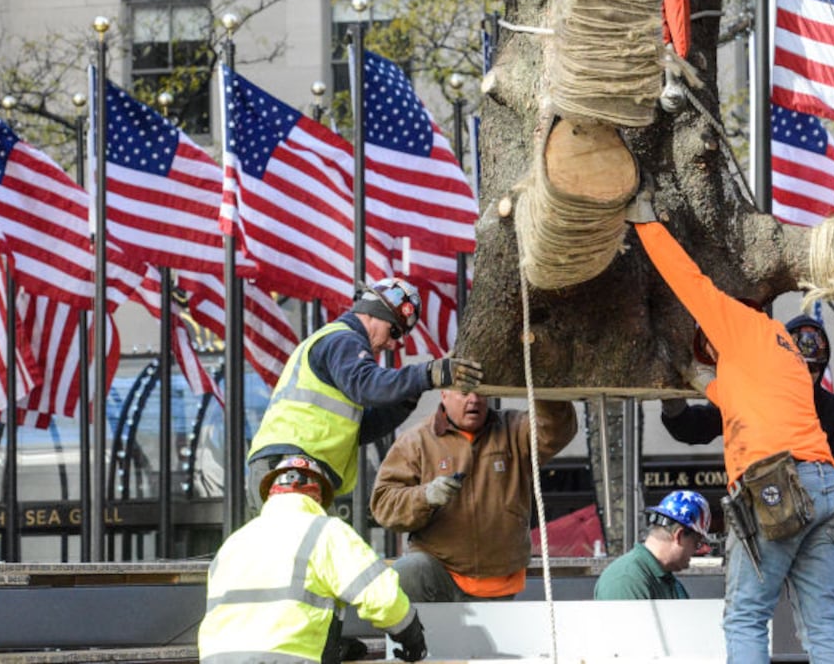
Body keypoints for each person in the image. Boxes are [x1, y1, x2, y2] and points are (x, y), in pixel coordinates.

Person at [631, 210, 834, 664]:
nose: (709, 352)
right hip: (826, 485)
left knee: (746, 615)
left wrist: (646, 225)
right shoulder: (781, 349)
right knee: (822, 621)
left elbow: (687, 281)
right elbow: (721, 392)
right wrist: (694, 380)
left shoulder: (736, 325)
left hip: (777, 486)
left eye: (705, 345)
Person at [659, 315, 834, 564]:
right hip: (759, 525)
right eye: (799, 365)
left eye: (813, 368)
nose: (806, 374)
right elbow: (692, 428)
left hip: (814, 533)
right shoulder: (752, 397)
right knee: (751, 601)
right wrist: (671, 399)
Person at [247, 277, 482, 507]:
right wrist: (426, 374)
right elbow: (367, 385)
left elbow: (363, 429)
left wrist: (406, 399)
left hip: (292, 465)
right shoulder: (343, 339)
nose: (392, 344)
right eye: (394, 331)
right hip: (292, 465)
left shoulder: (337, 344)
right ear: (372, 312)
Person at [199, 454, 427, 664]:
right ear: (319, 497)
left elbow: (255, 619)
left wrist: (332, 645)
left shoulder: (233, 543)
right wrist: (412, 637)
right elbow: (382, 598)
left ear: (270, 494)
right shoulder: (325, 531)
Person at [370, 387, 577, 602]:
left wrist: (543, 384)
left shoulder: (515, 430)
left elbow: (556, 430)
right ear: (444, 395)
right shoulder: (415, 441)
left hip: (500, 580)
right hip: (439, 574)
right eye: (464, 392)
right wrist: (425, 497)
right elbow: (383, 504)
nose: (474, 400)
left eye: (481, 392)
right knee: (408, 571)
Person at [594, 490, 715, 600]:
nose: (695, 551)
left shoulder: (666, 580)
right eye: (697, 543)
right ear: (679, 535)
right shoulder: (626, 579)